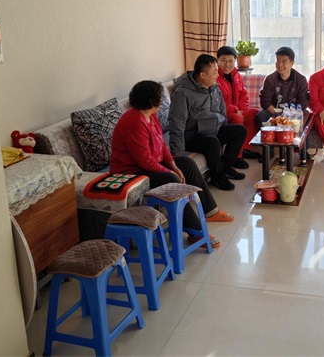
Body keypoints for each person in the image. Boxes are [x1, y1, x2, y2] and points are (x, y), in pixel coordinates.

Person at [110, 81, 235, 250]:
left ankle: (210, 211)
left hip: (149, 164)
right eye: (159, 97)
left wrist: (174, 165)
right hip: (131, 172)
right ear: (150, 100)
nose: (162, 100)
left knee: (187, 164)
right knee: (171, 179)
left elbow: (162, 145)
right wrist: (171, 172)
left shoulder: (150, 115)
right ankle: (195, 232)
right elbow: (145, 161)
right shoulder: (134, 122)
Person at [169, 54, 248, 191]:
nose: (218, 75)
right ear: (203, 75)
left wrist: (225, 130)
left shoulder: (214, 87)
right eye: (215, 72)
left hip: (213, 130)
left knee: (240, 131)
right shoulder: (182, 93)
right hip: (193, 136)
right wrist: (179, 155)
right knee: (212, 142)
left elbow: (222, 112)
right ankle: (217, 176)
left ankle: (225, 167)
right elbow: (177, 123)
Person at [216, 46, 260, 160]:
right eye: (223, 60)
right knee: (237, 118)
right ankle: (237, 156)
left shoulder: (236, 75)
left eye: (231, 61)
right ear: (217, 60)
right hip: (223, 114)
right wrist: (236, 111)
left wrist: (243, 111)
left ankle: (245, 148)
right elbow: (217, 103)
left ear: (235, 61)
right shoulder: (214, 78)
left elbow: (243, 96)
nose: (227, 64)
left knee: (255, 113)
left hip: (237, 111)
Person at [257, 46, 310, 125]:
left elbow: (304, 102)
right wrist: (279, 116)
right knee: (262, 115)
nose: (280, 64)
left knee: (306, 113)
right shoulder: (270, 79)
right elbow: (265, 101)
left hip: (293, 113)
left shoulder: (301, 79)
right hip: (274, 112)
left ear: (292, 63)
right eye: (278, 60)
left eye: (284, 61)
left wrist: (288, 115)